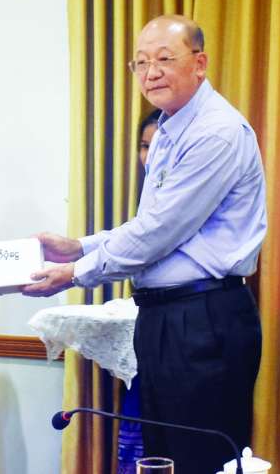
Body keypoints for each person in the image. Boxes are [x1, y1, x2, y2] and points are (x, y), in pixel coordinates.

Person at [24, 14, 267, 474]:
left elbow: (159, 232)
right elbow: (149, 225)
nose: (150, 72)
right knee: (163, 459)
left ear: (200, 63)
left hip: (202, 319)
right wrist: (78, 247)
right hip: (166, 317)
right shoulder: (169, 130)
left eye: (163, 59)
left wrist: (74, 273)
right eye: (140, 62)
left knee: (199, 461)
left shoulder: (215, 131)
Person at [117, 108, 160, 474]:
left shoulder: (188, 190)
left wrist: (74, 269)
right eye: (144, 146)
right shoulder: (148, 194)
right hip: (152, 326)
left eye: (158, 145)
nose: (149, 155)